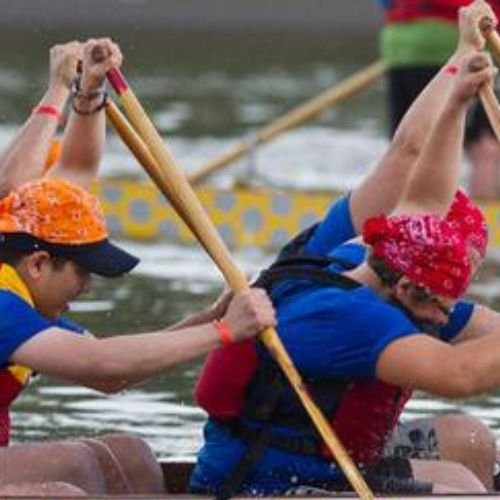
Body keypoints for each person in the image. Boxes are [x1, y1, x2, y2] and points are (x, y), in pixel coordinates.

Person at [190, 2, 500, 495]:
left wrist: (460, 73)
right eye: (440, 301)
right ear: (406, 284)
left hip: (333, 454)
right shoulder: (346, 314)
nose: (446, 315)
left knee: (469, 439)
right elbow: (461, 373)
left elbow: (414, 172)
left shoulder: (366, 252)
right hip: (264, 483)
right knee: (458, 488)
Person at [0, 41, 277, 497]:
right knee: (73, 476)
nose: (87, 287)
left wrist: (88, 95)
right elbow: (100, 361)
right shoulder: (4, 307)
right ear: (38, 263)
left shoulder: (26, 281)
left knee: (129, 453)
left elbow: (111, 378)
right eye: (82, 272)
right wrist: (223, 334)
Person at [379, 0, 500, 199]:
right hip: (455, 40)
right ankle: (485, 223)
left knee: (408, 146)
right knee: (484, 145)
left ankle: (402, 220)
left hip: (398, 44)